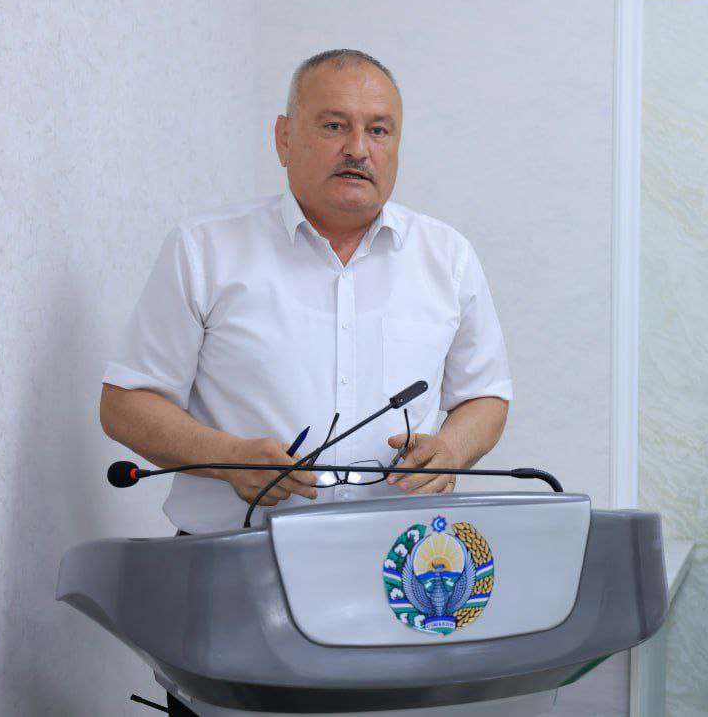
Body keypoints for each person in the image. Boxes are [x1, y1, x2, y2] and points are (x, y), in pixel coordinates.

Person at [99, 49, 513, 537]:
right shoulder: (204, 249)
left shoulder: (448, 257)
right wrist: (228, 458)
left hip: (396, 560)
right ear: (285, 138)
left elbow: (485, 396)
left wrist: (451, 449)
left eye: (379, 131)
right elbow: (126, 404)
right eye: (335, 126)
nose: (358, 149)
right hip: (236, 553)